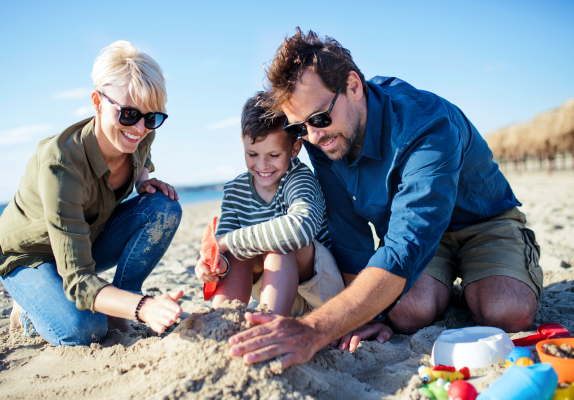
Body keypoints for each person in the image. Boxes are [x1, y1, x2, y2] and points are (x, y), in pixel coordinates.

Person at [228, 28, 542, 370]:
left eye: (319, 118)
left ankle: (489, 275)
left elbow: (404, 248)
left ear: (353, 86)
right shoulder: (325, 138)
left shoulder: (427, 127)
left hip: (482, 222)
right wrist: (363, 316)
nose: (314, 136)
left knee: (506, 311)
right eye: (300, 128)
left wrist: (314, 330)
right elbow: (349, 228)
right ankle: (452, 287)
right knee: (407, 314)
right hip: (415, 235)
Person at [0, 41, 184, 346]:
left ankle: (122, 303)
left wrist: (143, 182)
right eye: (129, 114)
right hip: (31, 255)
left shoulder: (141, 133)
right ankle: (30, 309)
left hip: (84, 238)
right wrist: (145, 307)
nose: (141, 128)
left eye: (152, 117)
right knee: (85, 329)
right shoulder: (61, 163)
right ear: (97, 102)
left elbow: (143, 154)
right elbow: (78, 281)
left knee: (164, 208)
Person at [195, 93, 344, 317]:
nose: (263, 165)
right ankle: (221, 322)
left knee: (280, 243)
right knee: (237, 254)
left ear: (295, 149)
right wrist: (217, 264)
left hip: (322, 294)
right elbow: (224, 250)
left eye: (274, 155)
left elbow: (299, 230)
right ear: (242, 142)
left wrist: (226, 242)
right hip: (276, 293)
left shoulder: (299, 178)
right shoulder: (235, 190)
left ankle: (268, 328)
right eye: (252, 154)